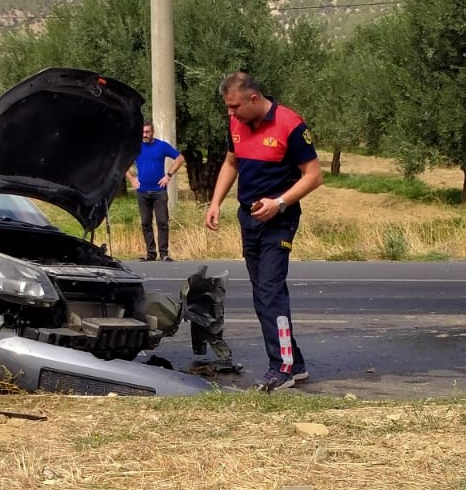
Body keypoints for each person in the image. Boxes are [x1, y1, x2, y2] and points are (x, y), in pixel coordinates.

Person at [204, 70, 324, 391]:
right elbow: (232, 163)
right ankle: (293, 362)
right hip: (249, 219)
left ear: (253, 98)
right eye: (228, 108)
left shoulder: (290, 124)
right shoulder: (237, 124)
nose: (231, 114)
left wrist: (279, 203)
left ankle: (281, 367)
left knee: (271, 292)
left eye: (235, 107)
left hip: (280, 220)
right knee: (261, 295)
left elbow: (313, 176)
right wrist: (215, 202)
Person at [127, 121, 182, 261]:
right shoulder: (135, 147)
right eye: (143, 132)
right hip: (142, 191)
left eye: (147, 132)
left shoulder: (161, 146)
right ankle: (151, 253)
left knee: (162, 222)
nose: (145, 135)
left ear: (153, 132)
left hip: (159, 191)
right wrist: (132, 179)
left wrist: (168, 176)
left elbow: (180, 158)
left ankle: (164, 253)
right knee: (145, 222)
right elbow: (123, 163)